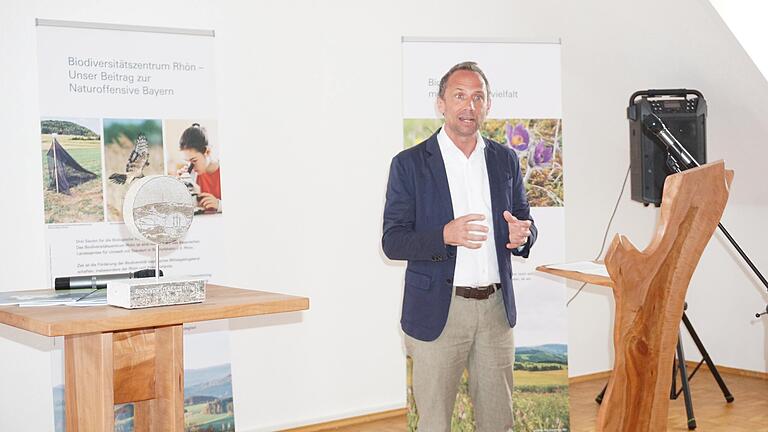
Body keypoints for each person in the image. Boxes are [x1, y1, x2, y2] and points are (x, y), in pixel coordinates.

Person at [382, 61, 537, 431]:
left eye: (478, 97)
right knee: (434, 422)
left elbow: (524, 220)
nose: (470, 106)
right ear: (441, 104)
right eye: (459, 96)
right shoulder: (410, 164)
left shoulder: (505, 159)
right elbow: (392, 241)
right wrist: (443, 236)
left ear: (488, 106)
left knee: (498, 422)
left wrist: (523, 236)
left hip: (497, 312)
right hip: (439, 311)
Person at [178, 123, 222, 212]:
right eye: (187, 161)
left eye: (194, 161)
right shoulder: (192, 175)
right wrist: (179, 186)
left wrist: (219, 205)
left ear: (207, 151)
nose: (192, 167)